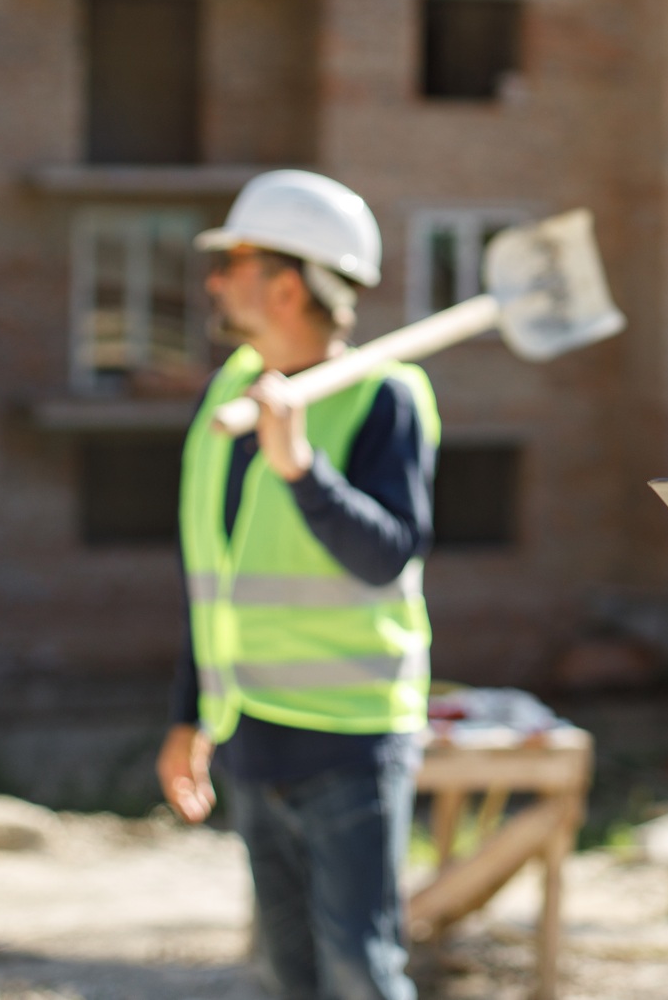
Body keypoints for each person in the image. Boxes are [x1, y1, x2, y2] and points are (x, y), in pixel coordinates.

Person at [157, 169, 437, 1000]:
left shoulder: (384, 398)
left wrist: (305, 471)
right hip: (255, 739)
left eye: (233, 260)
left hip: (351, 743)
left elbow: (389, 553)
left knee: (361, 974)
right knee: (287, 978)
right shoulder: (230, 396)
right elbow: (215, 578)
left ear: (285, 285)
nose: (215, 280)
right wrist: (186, 715)